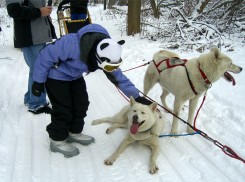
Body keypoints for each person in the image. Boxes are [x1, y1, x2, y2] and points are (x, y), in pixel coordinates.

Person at [31, 23, 152, 157]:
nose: (110, 70)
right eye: (108, 67)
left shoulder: (109, 51)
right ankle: (57, 140)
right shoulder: (72, 44)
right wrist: (38, 82)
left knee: (81, 104)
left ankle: (74, 132)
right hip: (56, 75)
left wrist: (136, 97)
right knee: (63, 108)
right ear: (97, 58)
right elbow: (44, 57)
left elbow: (119, 77)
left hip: (74, 75)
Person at [6, 0, 57, 114]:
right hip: (31, 38)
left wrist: (44, 11)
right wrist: (39, 12)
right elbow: (14, 10)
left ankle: (31, 99)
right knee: (38, 70)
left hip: (40, 37)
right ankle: (36, 103)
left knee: (37, 70)